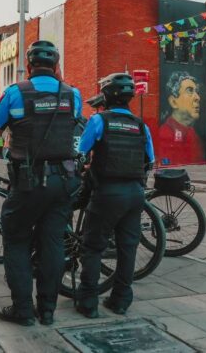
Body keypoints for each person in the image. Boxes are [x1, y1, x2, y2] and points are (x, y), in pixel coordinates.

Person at [0, 40, 82, 327]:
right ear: (56, 66)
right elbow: (73, 124)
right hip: (63, 181)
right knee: (53, 243)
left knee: (16, 241)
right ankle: (48, 310)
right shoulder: (72, 94)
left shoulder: (15, 93)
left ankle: (23, 310)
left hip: (27, 184)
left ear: (28, 67)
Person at [76, 73, 155, 318]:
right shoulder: (141, 125)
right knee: (127, 248)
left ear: (107, 96)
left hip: (107, 193)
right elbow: (149, 160)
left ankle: (88, 302)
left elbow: (80, 151)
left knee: (92, 247)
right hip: (135, 195)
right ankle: (120, 300)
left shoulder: (100, 120)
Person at [158, 71, 205, 165]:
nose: (198, 97)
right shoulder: (164, 134)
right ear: (173, 102)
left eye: (197, 92)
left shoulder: (194, 135)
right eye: (190, 90)